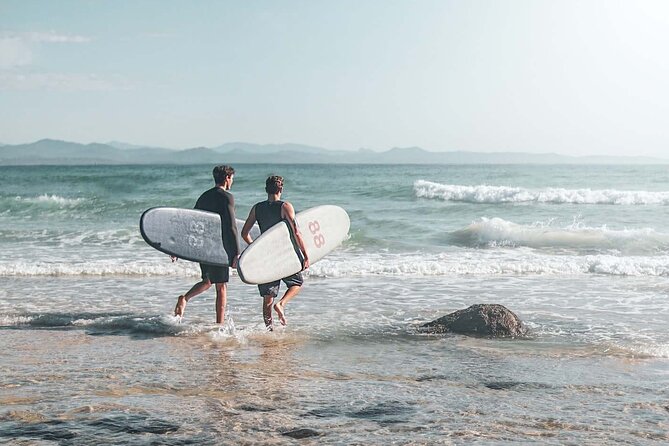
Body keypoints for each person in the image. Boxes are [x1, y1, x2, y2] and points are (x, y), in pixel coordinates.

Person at [173, 165, 240, 324]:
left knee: (208, 281)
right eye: (231, 178)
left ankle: (185, 298)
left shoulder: (204, 197)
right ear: (226, 178)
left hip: (203, 246)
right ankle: (220, 324)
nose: (232, 182)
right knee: (221, 287)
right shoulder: (227, 197)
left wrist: (177, 247)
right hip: (218, 247)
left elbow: (191, 222)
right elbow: (231, 226)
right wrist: (236, 252)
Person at [241, 175, 309, 329]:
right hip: (283, 254)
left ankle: (269, 330)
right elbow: (296, 232)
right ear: (281, 188)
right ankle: (282, 304)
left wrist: (254, 248)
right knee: (297, 283)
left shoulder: (257, 208)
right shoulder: (285, 206)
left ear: (266, 189)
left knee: (267, 297)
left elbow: (244, 233)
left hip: (265, 256)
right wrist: (305, 255)